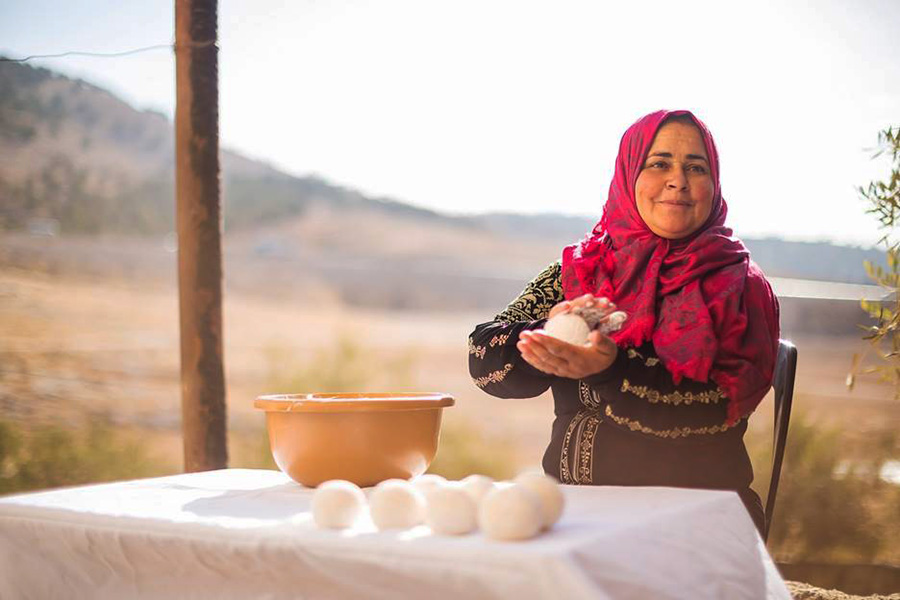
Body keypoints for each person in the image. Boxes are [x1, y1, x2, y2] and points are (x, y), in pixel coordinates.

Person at [468, 109, 780, 534]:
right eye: (659, 163)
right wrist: (547, 337)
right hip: (574, 518)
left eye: (696, 167)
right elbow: (483, 361)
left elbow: (714, 410)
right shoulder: (580, 269)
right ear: (629, 173)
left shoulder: (736, 285)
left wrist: (609, 370)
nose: (678, 180)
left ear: (715, 182)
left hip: (695, 525)